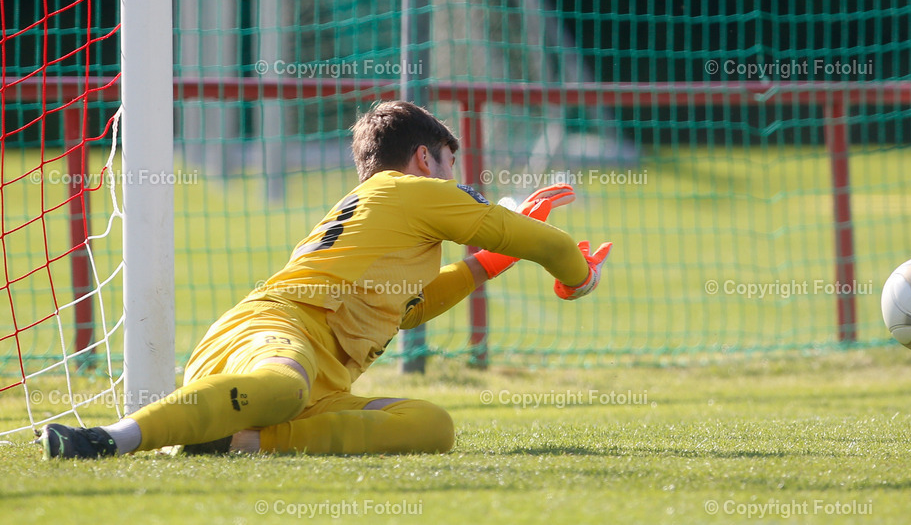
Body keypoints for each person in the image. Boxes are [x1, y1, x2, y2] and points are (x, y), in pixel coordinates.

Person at [40, 100, 612, 459]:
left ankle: (238, 441)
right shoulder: (414, 191)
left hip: (319, 379)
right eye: (449, 163)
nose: (453, 179)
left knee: (431, 426)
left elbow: (405, 309)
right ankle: (108, 440)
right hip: (271, 331)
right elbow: (552, 244)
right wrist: (578, 279)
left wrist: (485, 263)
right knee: (283, 385)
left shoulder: (387, 214)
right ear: (423, 159)